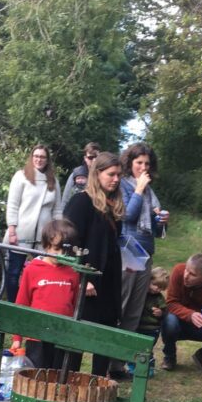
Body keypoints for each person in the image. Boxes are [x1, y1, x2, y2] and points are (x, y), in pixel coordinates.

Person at [63, 151, 124, 376]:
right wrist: (80, 278)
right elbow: (67, 241)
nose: (116, 179)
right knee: (77, 339)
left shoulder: (112, 206)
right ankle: (69, 384)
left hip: (109, 282)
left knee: (105, 337)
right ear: (97, 174)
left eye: (119, 175)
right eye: (111, 174)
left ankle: (98, 384)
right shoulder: (81, 202)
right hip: (86, 283)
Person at [117, 143, 171, 366]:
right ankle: (109, 360)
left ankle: (122, 362)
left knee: (135, 309)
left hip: (145, 251)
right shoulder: (123, 185)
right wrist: (138, 189)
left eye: (147, 163)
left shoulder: (150, 192)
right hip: (128, 249)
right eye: (139, 162)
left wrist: (161, 222)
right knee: (123, 303)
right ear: (129, 163)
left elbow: (155, 231)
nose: (143, 167)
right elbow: (128, 216)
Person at [11, 218, 80, 369]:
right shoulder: (33, 269)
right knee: (36, 376)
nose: (61, 254)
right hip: (36, 337)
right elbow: (21, 303)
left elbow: (75, 307)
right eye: (56, 249)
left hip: (62, 337)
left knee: (59, 377)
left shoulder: (73, 272)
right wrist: (17, 338)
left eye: (65, 250)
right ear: (46, 245)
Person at [4, 145, 59, 302]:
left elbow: (57, 209)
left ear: (47, 160)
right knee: (14, 272)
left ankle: (37, 305)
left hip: (44, 235)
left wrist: (57, 233)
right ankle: (12, 304)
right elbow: (13, 204)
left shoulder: (53, 181)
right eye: (36, 156)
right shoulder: (21, 176)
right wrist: (12, 229)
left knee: (44, 273)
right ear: (31, 157)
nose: (39, 159)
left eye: (42, 157)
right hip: (22, 232)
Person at [133, 266, 169, 374]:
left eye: (160, 288)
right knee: (135, 347)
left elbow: (165, 311)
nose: (156, 289)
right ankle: (133, 367)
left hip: (152, 329)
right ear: (148, 280)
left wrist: (160, 313)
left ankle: (150, 368)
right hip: (139, 327)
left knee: (147, 349)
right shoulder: (141, 293)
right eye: (154, 285)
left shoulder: (159, 298)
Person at [59, 142, 101, 211]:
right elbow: (65, 200)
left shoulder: (104, 175)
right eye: (90, 157)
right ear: (85, 158)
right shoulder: (76, 174)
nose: (94, 160)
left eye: (96, 157)